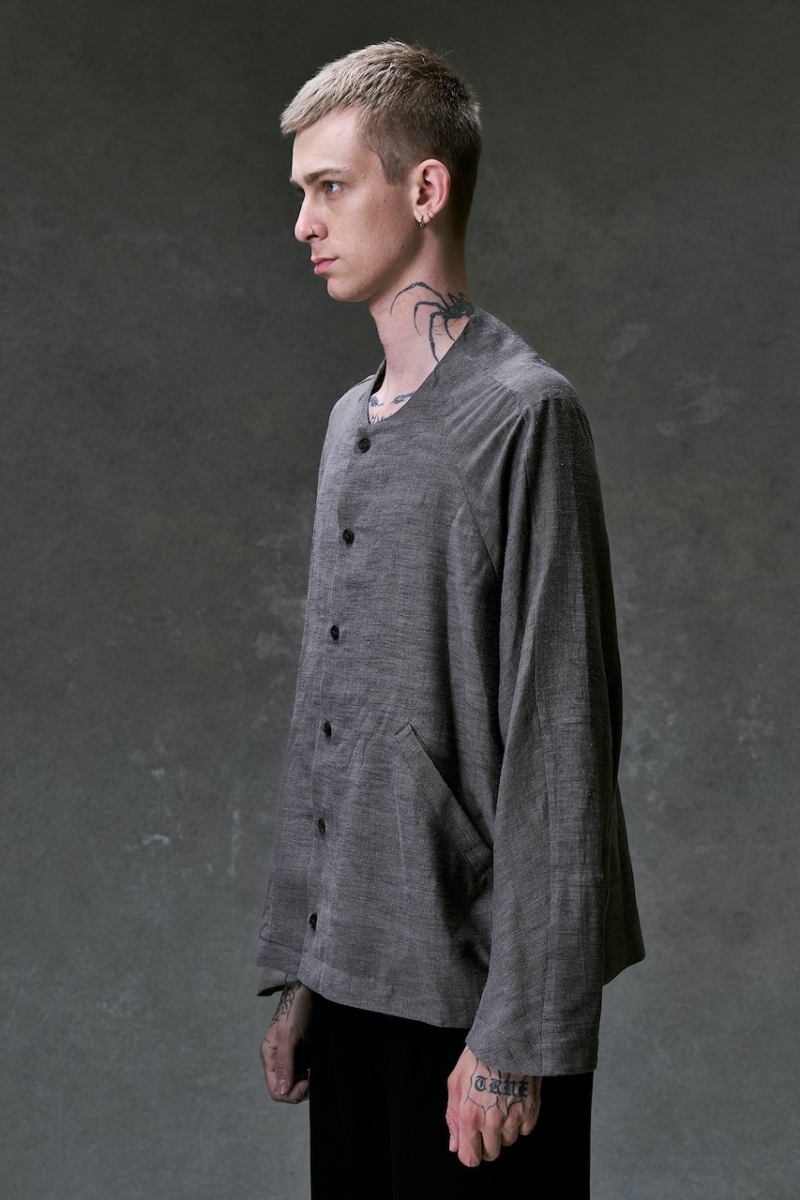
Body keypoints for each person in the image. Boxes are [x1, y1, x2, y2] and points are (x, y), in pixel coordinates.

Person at [256, 40, 644, 1198]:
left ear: (423, 188)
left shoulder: (523, 418)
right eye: (301, 193)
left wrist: (517, 1037)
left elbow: (561, 741)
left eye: (330, 187)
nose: (303, 223)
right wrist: (306, 975)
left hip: (473, 1009)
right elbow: (336, 716)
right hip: (353, 982)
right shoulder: (347, 423)